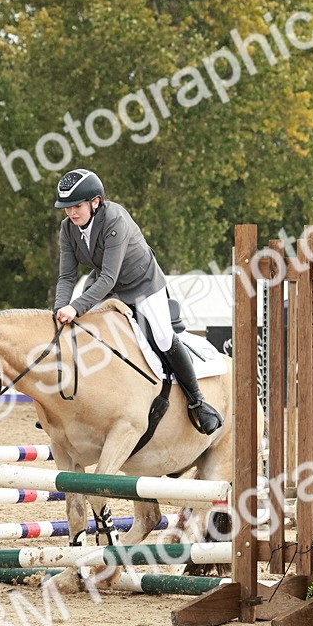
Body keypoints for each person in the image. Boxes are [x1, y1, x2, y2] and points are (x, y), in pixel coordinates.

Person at [51, 168, 223, 435]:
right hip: (105, 287)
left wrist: (76, 306)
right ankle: (67, 403)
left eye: (77, 206)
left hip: (142, 284)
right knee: (76, 331)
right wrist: (60, 308)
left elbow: (109, 276)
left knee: (164, 338)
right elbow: (66, 275)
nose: (72, 213)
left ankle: (198, 401)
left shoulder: (115, 219)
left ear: (95, 202)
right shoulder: (67, 229)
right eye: (67, 208)